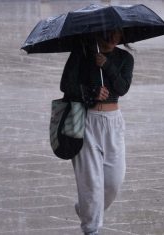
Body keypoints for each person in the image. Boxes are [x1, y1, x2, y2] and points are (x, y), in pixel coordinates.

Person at [60, 29, 134, 235]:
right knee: (91, 181)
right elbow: (66, 84)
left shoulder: (125, 58)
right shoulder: (81, 54)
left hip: (113, 123)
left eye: (116, 34)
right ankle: (91, 229)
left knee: (113, 181)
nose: (112, 39)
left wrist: (106, 65)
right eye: (107, 34)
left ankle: (86, 209)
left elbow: (122, 87)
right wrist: (91, 91)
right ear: (98, 33)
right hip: (85, 121)